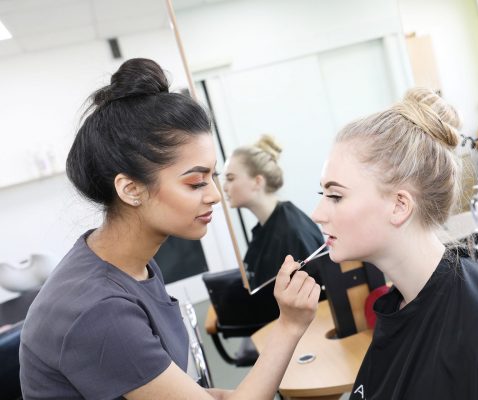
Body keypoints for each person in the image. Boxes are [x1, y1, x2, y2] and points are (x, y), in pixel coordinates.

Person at [19, 58, 321, 400]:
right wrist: (290, 325)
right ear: (130, 189)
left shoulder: (133, 266)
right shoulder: (98, 310)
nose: (214, 196)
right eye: (195, 183)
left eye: (214, 178)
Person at [311, 88, 478, 400]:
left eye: (336, 196)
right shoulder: (401, 306)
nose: (317, 214)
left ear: (400, 206)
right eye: (323, 195)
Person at [223, 135, 325, 290]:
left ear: (257, 181)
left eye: (230, 178)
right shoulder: (266, 229)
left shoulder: (292, 233)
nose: (224, 187)